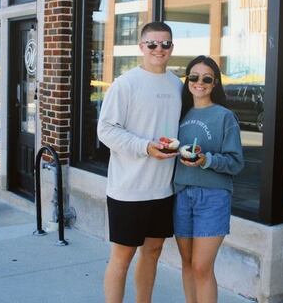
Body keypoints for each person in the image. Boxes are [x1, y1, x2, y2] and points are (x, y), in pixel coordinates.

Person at [97, 21, 183, 303]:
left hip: (162, 190)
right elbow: (106, 130)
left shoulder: (177, 85)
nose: (159, 49)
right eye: (153, 44)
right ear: (141, 47)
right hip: (128, 189)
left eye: (165, 43)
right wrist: (145, 147)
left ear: (172, 46)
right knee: (122, 256)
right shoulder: (125, 84)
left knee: (154, 252)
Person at [174, 55, 244, 303]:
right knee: (187, 263)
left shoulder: (225, 116)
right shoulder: (179, 113)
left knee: (202, 267)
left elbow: (236, 162)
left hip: (213, 197)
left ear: (215, 83)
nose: (199, 82)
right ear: (187, 80)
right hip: (181, 195)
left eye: (206, 78)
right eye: (193, 77)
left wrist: (206, 160)